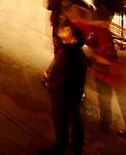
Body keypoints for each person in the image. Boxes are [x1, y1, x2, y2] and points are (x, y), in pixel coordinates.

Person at [42, 22, 88, 154]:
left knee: (61, 121)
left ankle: (60, 147)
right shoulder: (77, 53)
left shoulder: (66, 54)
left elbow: (62, 81)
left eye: (66, 31)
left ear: (74, 39)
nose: (62, 32)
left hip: (63, 95)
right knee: (74, 117)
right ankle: (76, 145)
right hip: (74, 93)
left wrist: (48, 83)